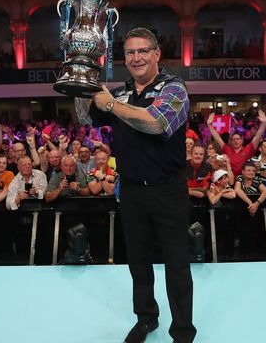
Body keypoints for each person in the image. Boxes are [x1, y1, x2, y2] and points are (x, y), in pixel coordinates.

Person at [78, 27, 196, 342]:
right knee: (138, 262)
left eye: (143, 50)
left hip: (168, 190)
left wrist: (111, 106)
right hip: (130, 190)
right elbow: (86, 117)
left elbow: (156, 124)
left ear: (157, 54)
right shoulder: (118, 93)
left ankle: (183, 330)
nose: (136, 57)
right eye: (130, 52)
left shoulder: (175, 89)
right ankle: (146, 319)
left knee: (177, 265)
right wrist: (81, 79)